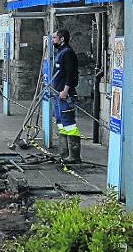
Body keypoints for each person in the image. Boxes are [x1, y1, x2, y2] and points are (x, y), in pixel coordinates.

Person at [52, 29, 81, 163]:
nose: (53, 40)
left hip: (65, 94)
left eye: (55, 38)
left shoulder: (67, 53)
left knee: (69, 124)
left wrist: (65, 90)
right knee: (60, 122)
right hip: (57, 93)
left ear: (62, 39)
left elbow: (71, 73)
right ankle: (63, 152)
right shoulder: (60, 52)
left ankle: (74, 155)